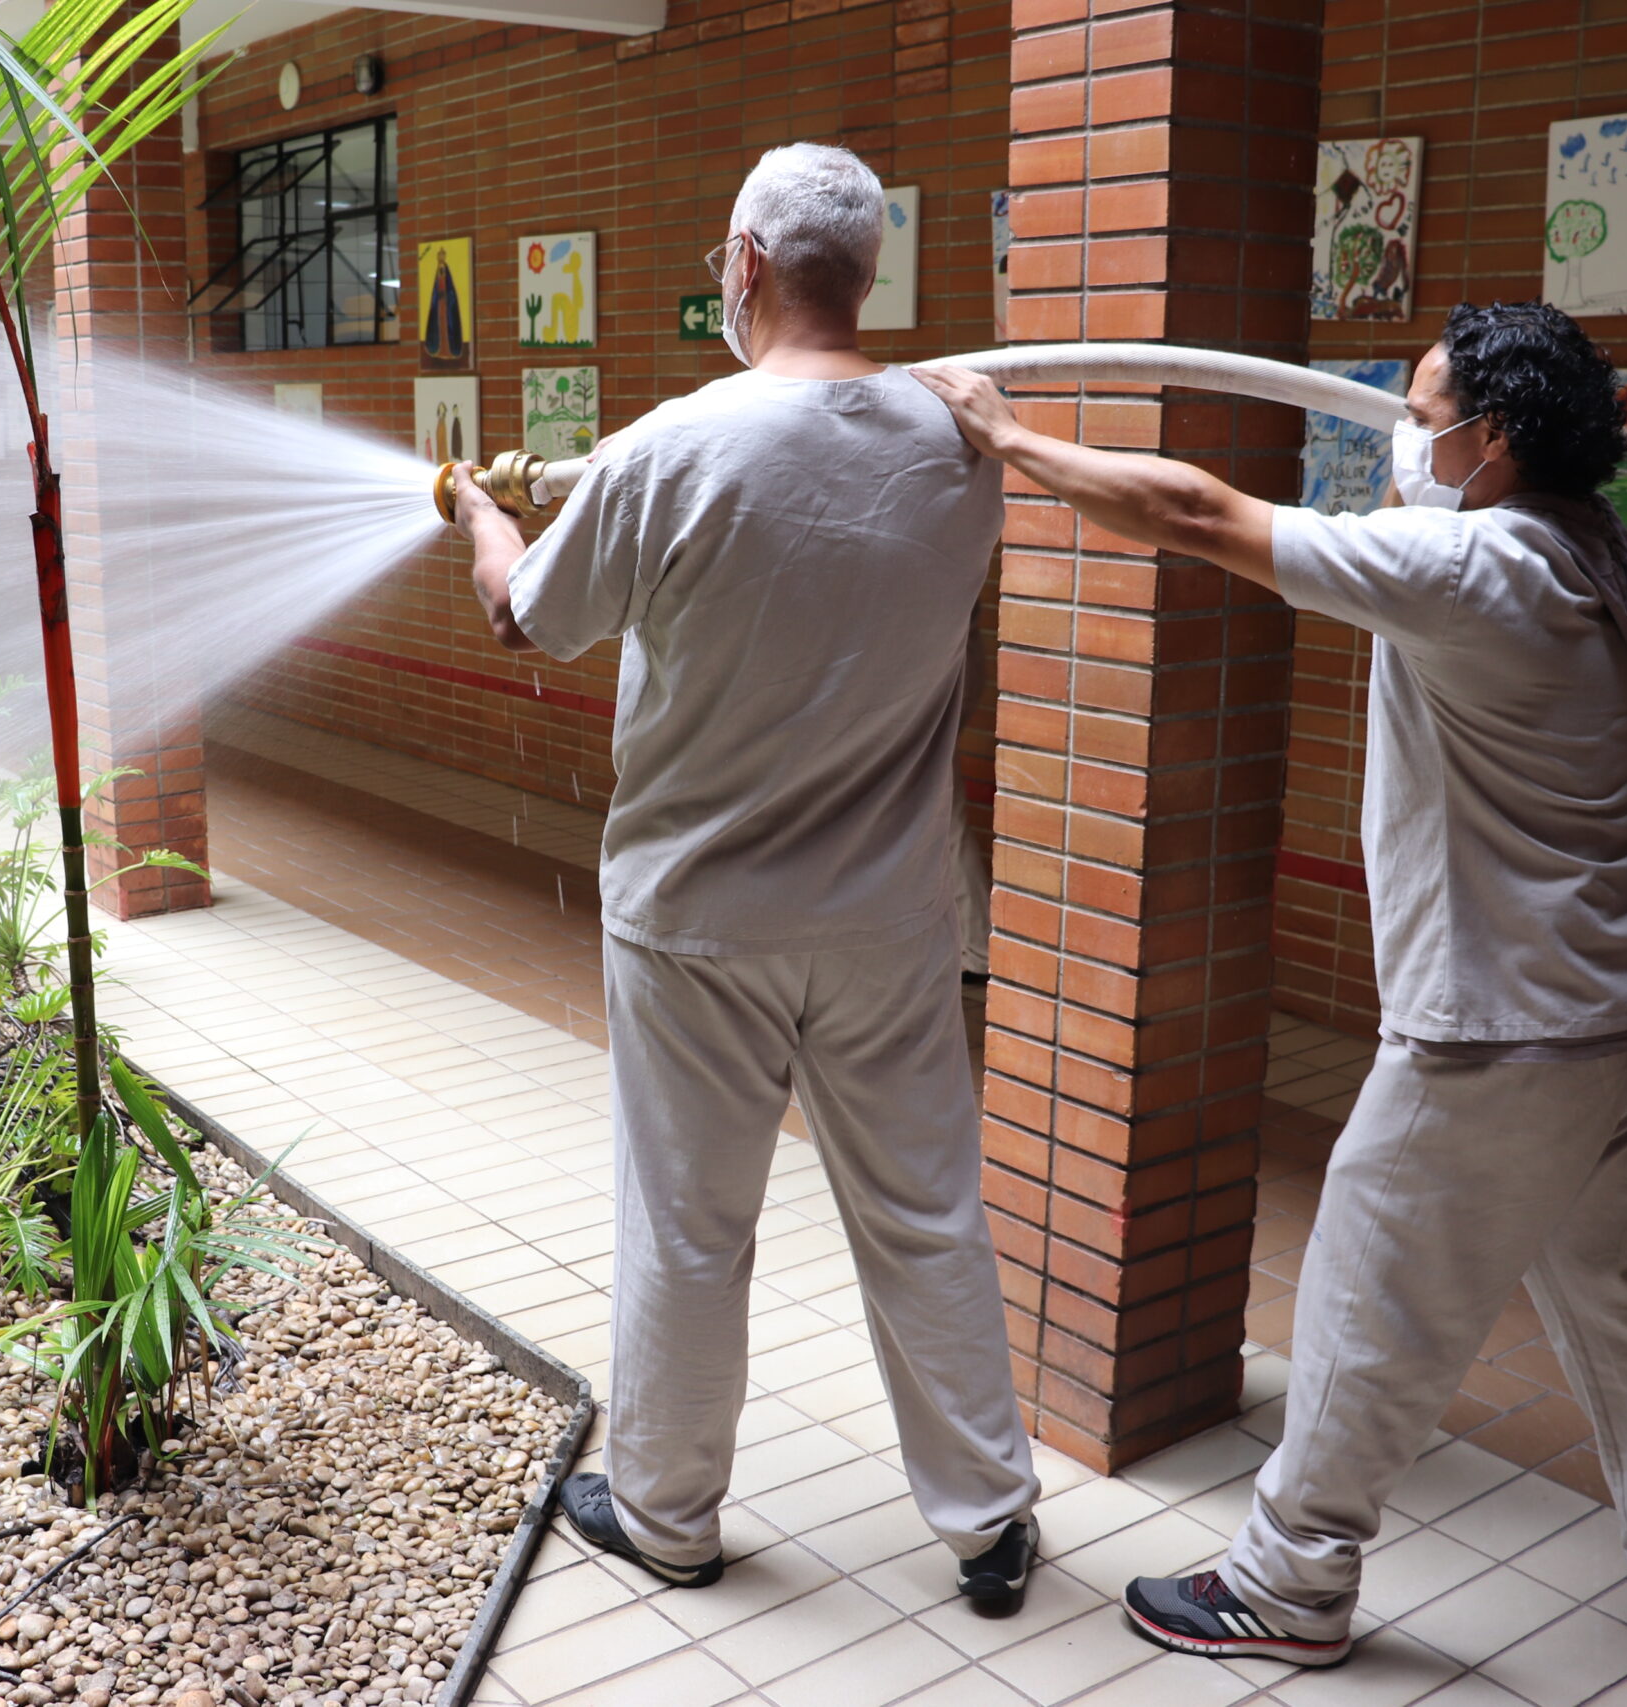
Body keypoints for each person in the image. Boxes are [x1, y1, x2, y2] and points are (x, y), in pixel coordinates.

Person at [915, 303, 1627, 1674]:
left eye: (1420, 417)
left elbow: (1196, 512)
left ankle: (1289, 1581)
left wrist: (1006, 434)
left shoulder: (1473, 564)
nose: (1401, 440)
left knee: (1369, 1307)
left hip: (1501, 1035)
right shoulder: (1593, 552)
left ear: (1492, 443)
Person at [445, 142, 1044, 1614]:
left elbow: (531, 618)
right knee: (925, 1215)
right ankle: (989, 1522)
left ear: (746, 263)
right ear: (868, 269)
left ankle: (668, 1515)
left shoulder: (668, 449)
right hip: (893, 918)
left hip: (699, 922)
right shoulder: (967, 444)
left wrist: (475, 513)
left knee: (691, 1230)